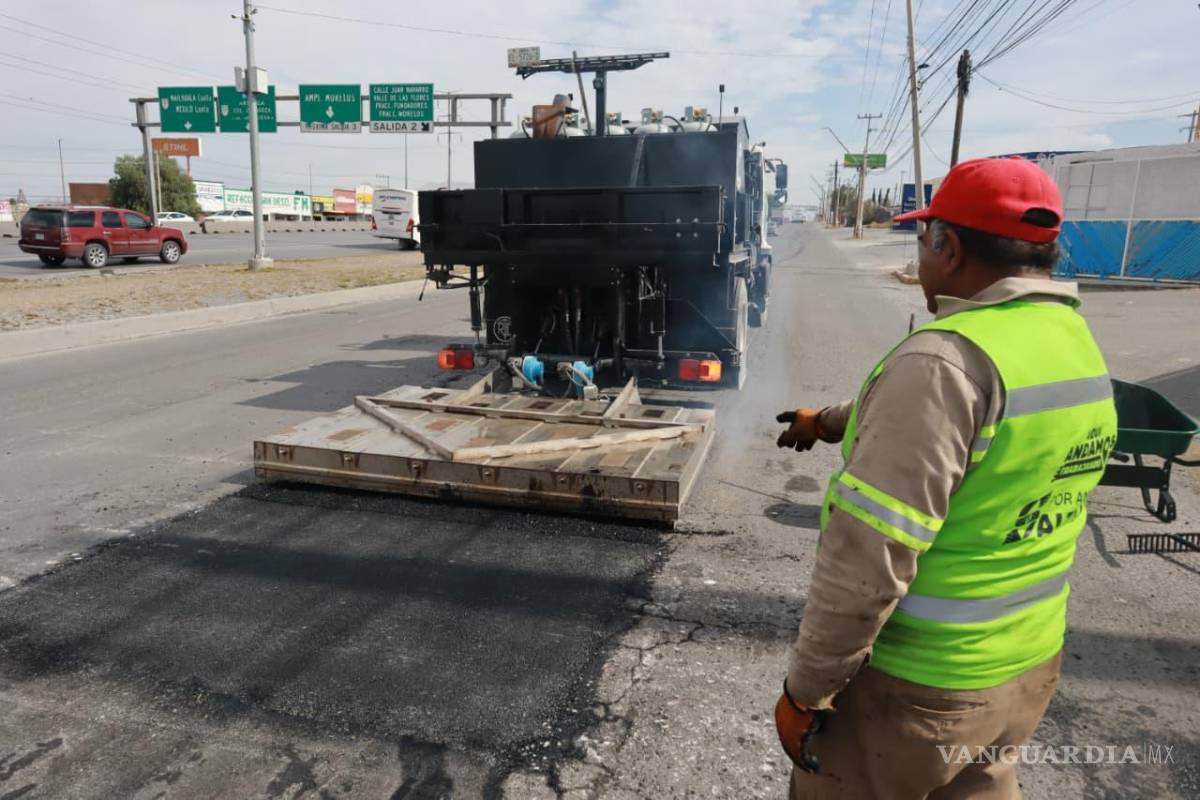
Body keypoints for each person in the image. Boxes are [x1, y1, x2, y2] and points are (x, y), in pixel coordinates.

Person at [772, 157, 1118, 800]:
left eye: (924, 240)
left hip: (920, 690)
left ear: (948, 247)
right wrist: (827, 421)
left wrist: (807, 690)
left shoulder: (942, 362)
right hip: (1023, 669)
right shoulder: (1068, 339)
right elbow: (968, 431)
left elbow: (868, 562)